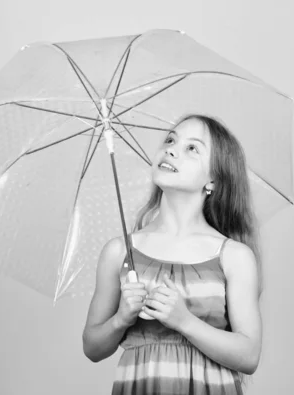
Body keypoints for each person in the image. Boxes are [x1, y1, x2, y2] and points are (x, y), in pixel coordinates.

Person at [82, 114, 263, 394]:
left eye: (192, 148)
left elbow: (249, 355)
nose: (170, 149)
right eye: (170, 140)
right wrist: (120, 319)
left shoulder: (233, 256)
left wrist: (184, 321)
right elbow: (92, 347)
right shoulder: (120, 252)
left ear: (213, 179)